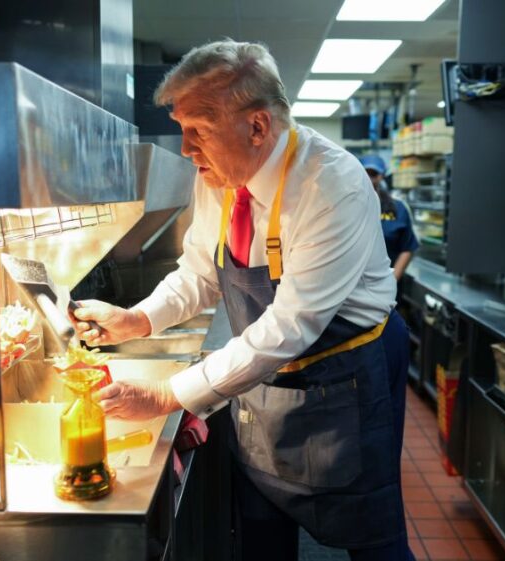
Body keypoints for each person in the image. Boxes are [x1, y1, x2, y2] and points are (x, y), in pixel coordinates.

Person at [70, 40, 414, 561]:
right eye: (181, 129)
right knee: (260, 533)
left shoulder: (331, 184)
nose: (185, 149)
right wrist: (139, 319)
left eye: (198, 131)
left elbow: (292, 324)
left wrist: (168, 395)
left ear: (256, 126)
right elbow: (200, 272)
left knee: (371, 538)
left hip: (345, 376)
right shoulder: (222, 177)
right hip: (263, 377)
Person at [359, 154, 419, 281]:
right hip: (354, 287)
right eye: (365, 174)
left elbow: (407, 247)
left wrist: (391, 283)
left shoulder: (398, 208)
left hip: (387, 285)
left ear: (381, 176)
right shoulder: (348, 207)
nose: (369, 179)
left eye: (373, 174)